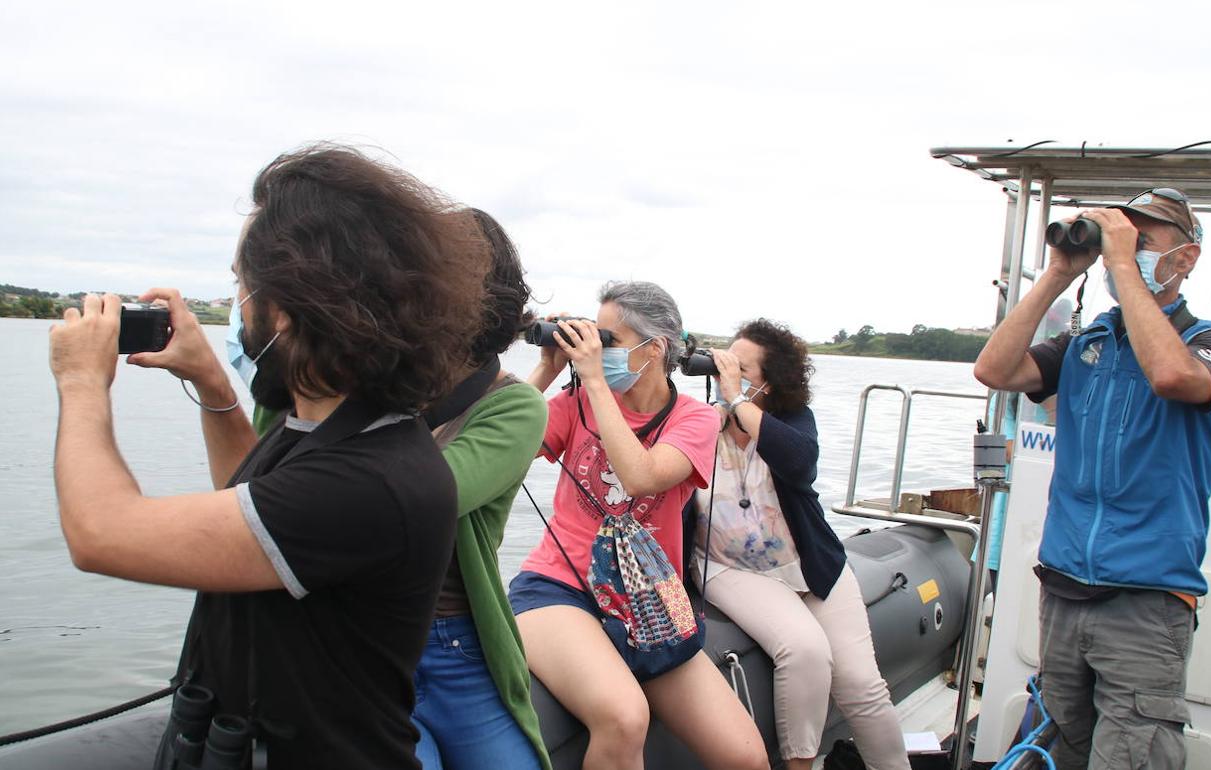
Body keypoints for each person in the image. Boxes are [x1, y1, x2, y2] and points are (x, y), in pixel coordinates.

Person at [47, 144, 486, 768]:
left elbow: (99, 532)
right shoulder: (333, 428)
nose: (238, 304)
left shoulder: (370, 479)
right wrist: (213, 384)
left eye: (241, 285)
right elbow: (250, 511)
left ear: (288, 305)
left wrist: (81, 383)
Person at [974, 187, 1211, 769]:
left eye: (1144, 241)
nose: (1127, 250)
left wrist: (1122, 265)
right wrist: (1057, 274)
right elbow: (993, 369)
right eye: (1119, 239)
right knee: (1059, 749)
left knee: (1132, 755)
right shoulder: (1086, 343)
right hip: (1065, 590)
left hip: (1146, 602)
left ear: (1187, 258)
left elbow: (1173, 376)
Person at [509, 281, 768, 770]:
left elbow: (642, 476)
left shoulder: (695, 419)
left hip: (647, 600)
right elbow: (498, 440)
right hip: (558, 588)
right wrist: (548, 367)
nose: (596, 350)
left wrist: (596, 382)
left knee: (745, 756)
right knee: (624, 718)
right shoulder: (577, 401)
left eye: (609, 340)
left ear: (656, 349)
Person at [690, 319, 909, 770]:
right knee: (805, 649)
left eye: (741, 369)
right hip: (731, 567)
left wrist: (736, 400)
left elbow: (799, 463)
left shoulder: (792, 422)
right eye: (724, 364)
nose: (725, 373)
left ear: (768, 385)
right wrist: (722, 402)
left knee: (861, 684)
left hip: (808, 563)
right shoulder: (700, 424)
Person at [407, 209, 552, 770]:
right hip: (369, 646)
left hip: (456, 644)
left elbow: (425, 496)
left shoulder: (513, 404)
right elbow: (258, 477)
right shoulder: (360, 386)